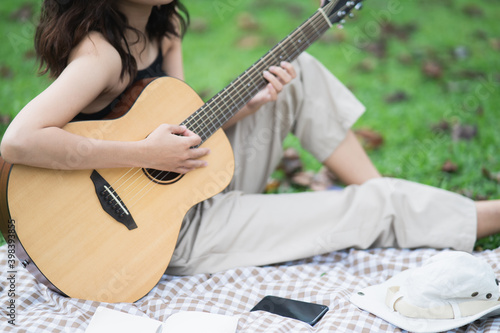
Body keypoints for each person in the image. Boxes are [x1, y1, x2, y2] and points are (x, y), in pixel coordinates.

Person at [1, 0, 499, 276]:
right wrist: (144, 152)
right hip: (152, 234)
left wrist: (246, 108)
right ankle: (459, 214)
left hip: (185, 186)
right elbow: (18, 141)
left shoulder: (164, 27)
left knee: (297, 73)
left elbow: (183, 129)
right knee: (362, 210)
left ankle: (387, 196)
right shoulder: (100, 54)